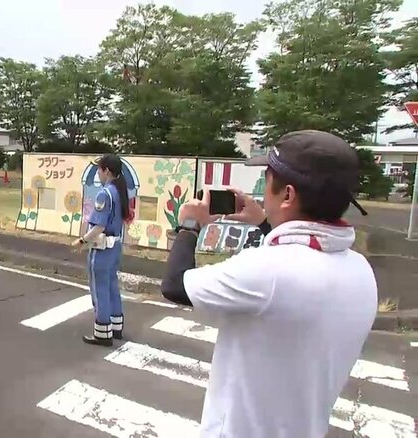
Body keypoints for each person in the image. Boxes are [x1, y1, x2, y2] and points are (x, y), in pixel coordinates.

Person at [160, 130, 376, 438]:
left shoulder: (267, 271)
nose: (263, 194)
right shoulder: (360, 270)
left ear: (287, 195)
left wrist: (189, 225)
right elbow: (293, 261)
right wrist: (264, 221)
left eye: (267, 182)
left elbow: (176, 285)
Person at [70, 154, 129, 347]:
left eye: (99, 169)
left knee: (99, 288)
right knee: (112, 285)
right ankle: (116, 326)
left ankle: (103, 331)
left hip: (102, 248)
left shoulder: (105, 194)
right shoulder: (120, 192)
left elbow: (99, 227)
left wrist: (82, 241)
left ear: (107, 171)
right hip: (116, 246)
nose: (98, 172)